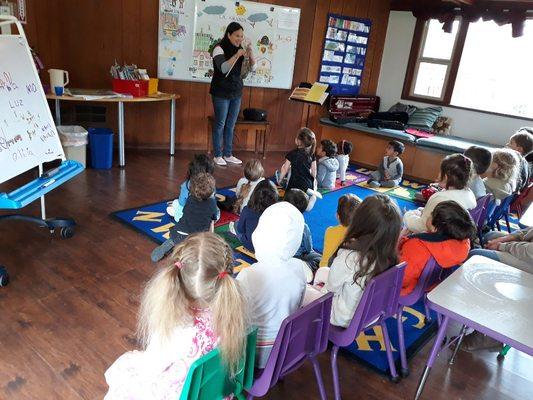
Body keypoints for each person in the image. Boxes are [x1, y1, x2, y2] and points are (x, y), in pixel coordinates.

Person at [105, 233, 248, 399]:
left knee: (122, 369)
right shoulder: (233, 313)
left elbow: (151, 368)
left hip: (179, 394)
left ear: (178, 275)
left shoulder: (174, 326)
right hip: (214, 393)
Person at [311, 194, 402, 327]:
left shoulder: (349, 258)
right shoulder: (389, 254)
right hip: (373, 313)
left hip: (344, 318)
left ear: (359, 221)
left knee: (303, 292)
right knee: (323, 272)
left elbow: (330, 289)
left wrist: (316, 291)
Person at [236, 202, 306, 367]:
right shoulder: (298, 268)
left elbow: (234, 316)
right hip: (287, 348)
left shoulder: (249, 275)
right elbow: (298, 304)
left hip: (252, 355)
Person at [399, 201, 476, 295]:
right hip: (430, 282)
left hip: (408, 288)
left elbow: (402, 278)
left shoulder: (417, 245)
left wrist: (398, 240)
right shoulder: (462, 244)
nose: (429, 215)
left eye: (431, 214)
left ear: (435, 228)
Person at [210, 22, 255, 166]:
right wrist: (236, 55)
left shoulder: (241, 49)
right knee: (220, 123)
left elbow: (248, 71)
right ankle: (218, 155)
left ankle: (228, 154)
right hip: (221, 91)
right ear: (229, 35)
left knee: (231, 124)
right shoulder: (218, 48)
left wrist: (250, 54)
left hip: (236, 91)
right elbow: (223, 68)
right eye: (237, 35)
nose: (240, 39)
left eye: (241, 36)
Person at [152, 173, 219, 262]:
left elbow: (185, 213)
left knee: (173, 239)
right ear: (212, 191)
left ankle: (168, 246)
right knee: (196, 249)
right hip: (196, 238)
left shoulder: (190, 199)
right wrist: (211, 238)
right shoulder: (212, 203)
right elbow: (212, 221)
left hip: (179, 233)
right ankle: (185, 256)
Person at [404, 154, 476, 233]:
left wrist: (408, 215)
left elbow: (422, 227)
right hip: (454, 236)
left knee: (405, 230)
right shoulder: (470, 194)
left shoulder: (440, 198)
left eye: (440, 171)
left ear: (445, 177)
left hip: (436, 238)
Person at [276, 127, 322, 211]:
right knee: (303, 201)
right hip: (307, 185)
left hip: (293, 185)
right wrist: (313, 181)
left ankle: (307, 201)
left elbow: (285, 168)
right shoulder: (312, 154)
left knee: (289, 201)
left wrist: (280, 179)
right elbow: (314, 171)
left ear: (298, 141)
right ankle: (310, 199)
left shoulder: (292, 153)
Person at [283, 188, 322, 281]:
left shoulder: (276, 219)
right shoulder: (303, 226)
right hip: (296, 257)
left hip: (279, 256)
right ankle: (305, 268)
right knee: (319, 258)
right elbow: (308, 248)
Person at [229, 179, 279, 252]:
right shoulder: (276, 212)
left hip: (251, 245)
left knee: (236, 223)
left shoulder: (247, 210)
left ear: (254, 194)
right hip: (269, 246)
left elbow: (240, 229)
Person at [167, 154, 215, 221]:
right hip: (206, 216)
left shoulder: (186, 185)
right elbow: (212, 202)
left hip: (187, 217)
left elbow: (181, 203)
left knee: (175, 203)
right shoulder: (211, 185)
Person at [319, 194, 361, 267]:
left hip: (327, 270)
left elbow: (326, 258)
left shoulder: (331, 231)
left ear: (337, 216)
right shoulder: (365, 232)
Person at [469, 227, 533, 273]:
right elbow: (528, 230)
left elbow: (528, 251)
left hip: (529, 259)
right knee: (490, 236)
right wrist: (504, 239)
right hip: (527, 245)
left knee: (475, 255)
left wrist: (500, 246)